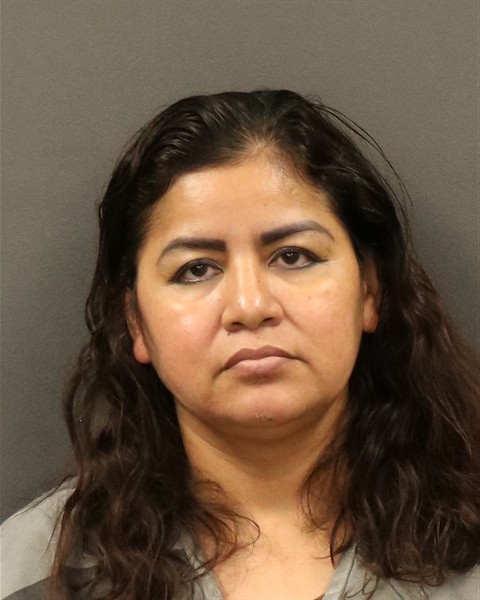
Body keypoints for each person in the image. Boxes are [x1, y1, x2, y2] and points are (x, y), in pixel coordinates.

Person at [1, 90, 478, 600]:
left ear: (369, 292)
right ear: (136, 322)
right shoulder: (30, 574)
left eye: (293, 256)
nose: (250, 306)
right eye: (196, 269)